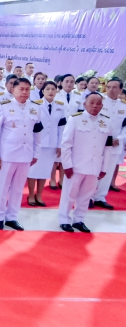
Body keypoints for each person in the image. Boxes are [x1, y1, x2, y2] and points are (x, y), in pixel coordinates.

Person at [0, 78, 43, 230]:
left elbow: (37, 133)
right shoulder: (3, 106)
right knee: (3, 186)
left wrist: (36, 152)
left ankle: (12, 216)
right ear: (13, 89)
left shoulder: (35, 108)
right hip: (8, 153)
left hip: (26, 153)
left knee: (18, 187)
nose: (25, 92)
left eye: (27, 89)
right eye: (22, 89)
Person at [58, 92, 112, 232]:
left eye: (98, 103)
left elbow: (107, 147)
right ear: (84, 104)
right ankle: (64, 219)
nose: (95, 106)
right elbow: (66, 144)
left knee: (86, 195)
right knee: (69, 194)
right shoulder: (75, 119)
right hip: (76, 165)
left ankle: (79, 220)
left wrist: (104, 167)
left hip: (95, 166)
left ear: (102, 106)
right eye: (91, 103)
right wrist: (67, 165)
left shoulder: (106, 121)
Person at [26, 81, 66, 206]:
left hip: (52, 144)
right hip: (37, 143)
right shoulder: (35, 105)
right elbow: (31, 126)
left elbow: (62, 128)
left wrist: (60, 145)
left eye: (53, 89)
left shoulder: (61, 106)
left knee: (45, 171)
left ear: (56, 91)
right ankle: (31, 194)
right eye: (47, 89)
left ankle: (39, 195)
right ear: (42, 91)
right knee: (33, 171)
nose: (50, 91)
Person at [90, 78, 126, 210]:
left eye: (115, 87)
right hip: (98, 142)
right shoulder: (99, 102)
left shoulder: (124, 106)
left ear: (120, 90)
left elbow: (125, 127)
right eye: (109, 87)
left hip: (115, 144)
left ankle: (100, 197)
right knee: (94, 171)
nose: (111, 89)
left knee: (108, 171)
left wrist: (120, 138)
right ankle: (89, 197)